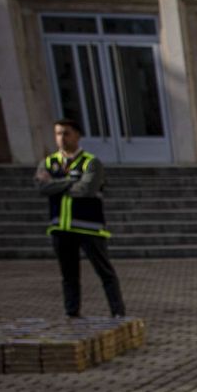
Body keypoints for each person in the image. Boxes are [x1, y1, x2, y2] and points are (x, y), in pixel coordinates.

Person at [35, 119, 126, 318]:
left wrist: (57, 184)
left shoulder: (91, 162)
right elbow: (42, 187)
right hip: (61, 228)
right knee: (69, 275)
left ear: (77, 135)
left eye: (66, 133)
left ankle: (118, 312)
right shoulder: (49, 163)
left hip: (89, 227)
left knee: (105, 272)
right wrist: (71, 181)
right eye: (58, 134)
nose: (62, 138)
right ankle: (72, 312)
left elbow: (87, 189)